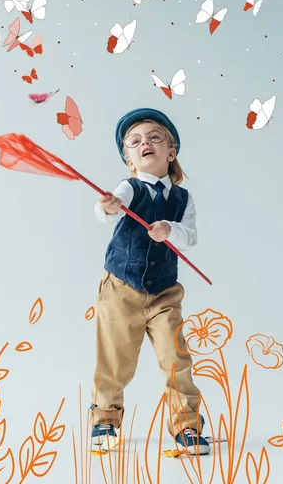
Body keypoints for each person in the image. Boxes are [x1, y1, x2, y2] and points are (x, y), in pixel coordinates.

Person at [89, 108, 209, 455]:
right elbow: (107, 210)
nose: (146, 143)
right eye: (136, 141)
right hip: (120, 288)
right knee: (114, 358)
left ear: (171, 153)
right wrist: (109, 206)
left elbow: (191, 236)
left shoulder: (183, 199)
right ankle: (105, 420)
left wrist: (170, 230)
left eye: (155, 137)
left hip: (164, 293)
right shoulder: (128, 188)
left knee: (176, 357)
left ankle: (187, 426)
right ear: (129, 159)